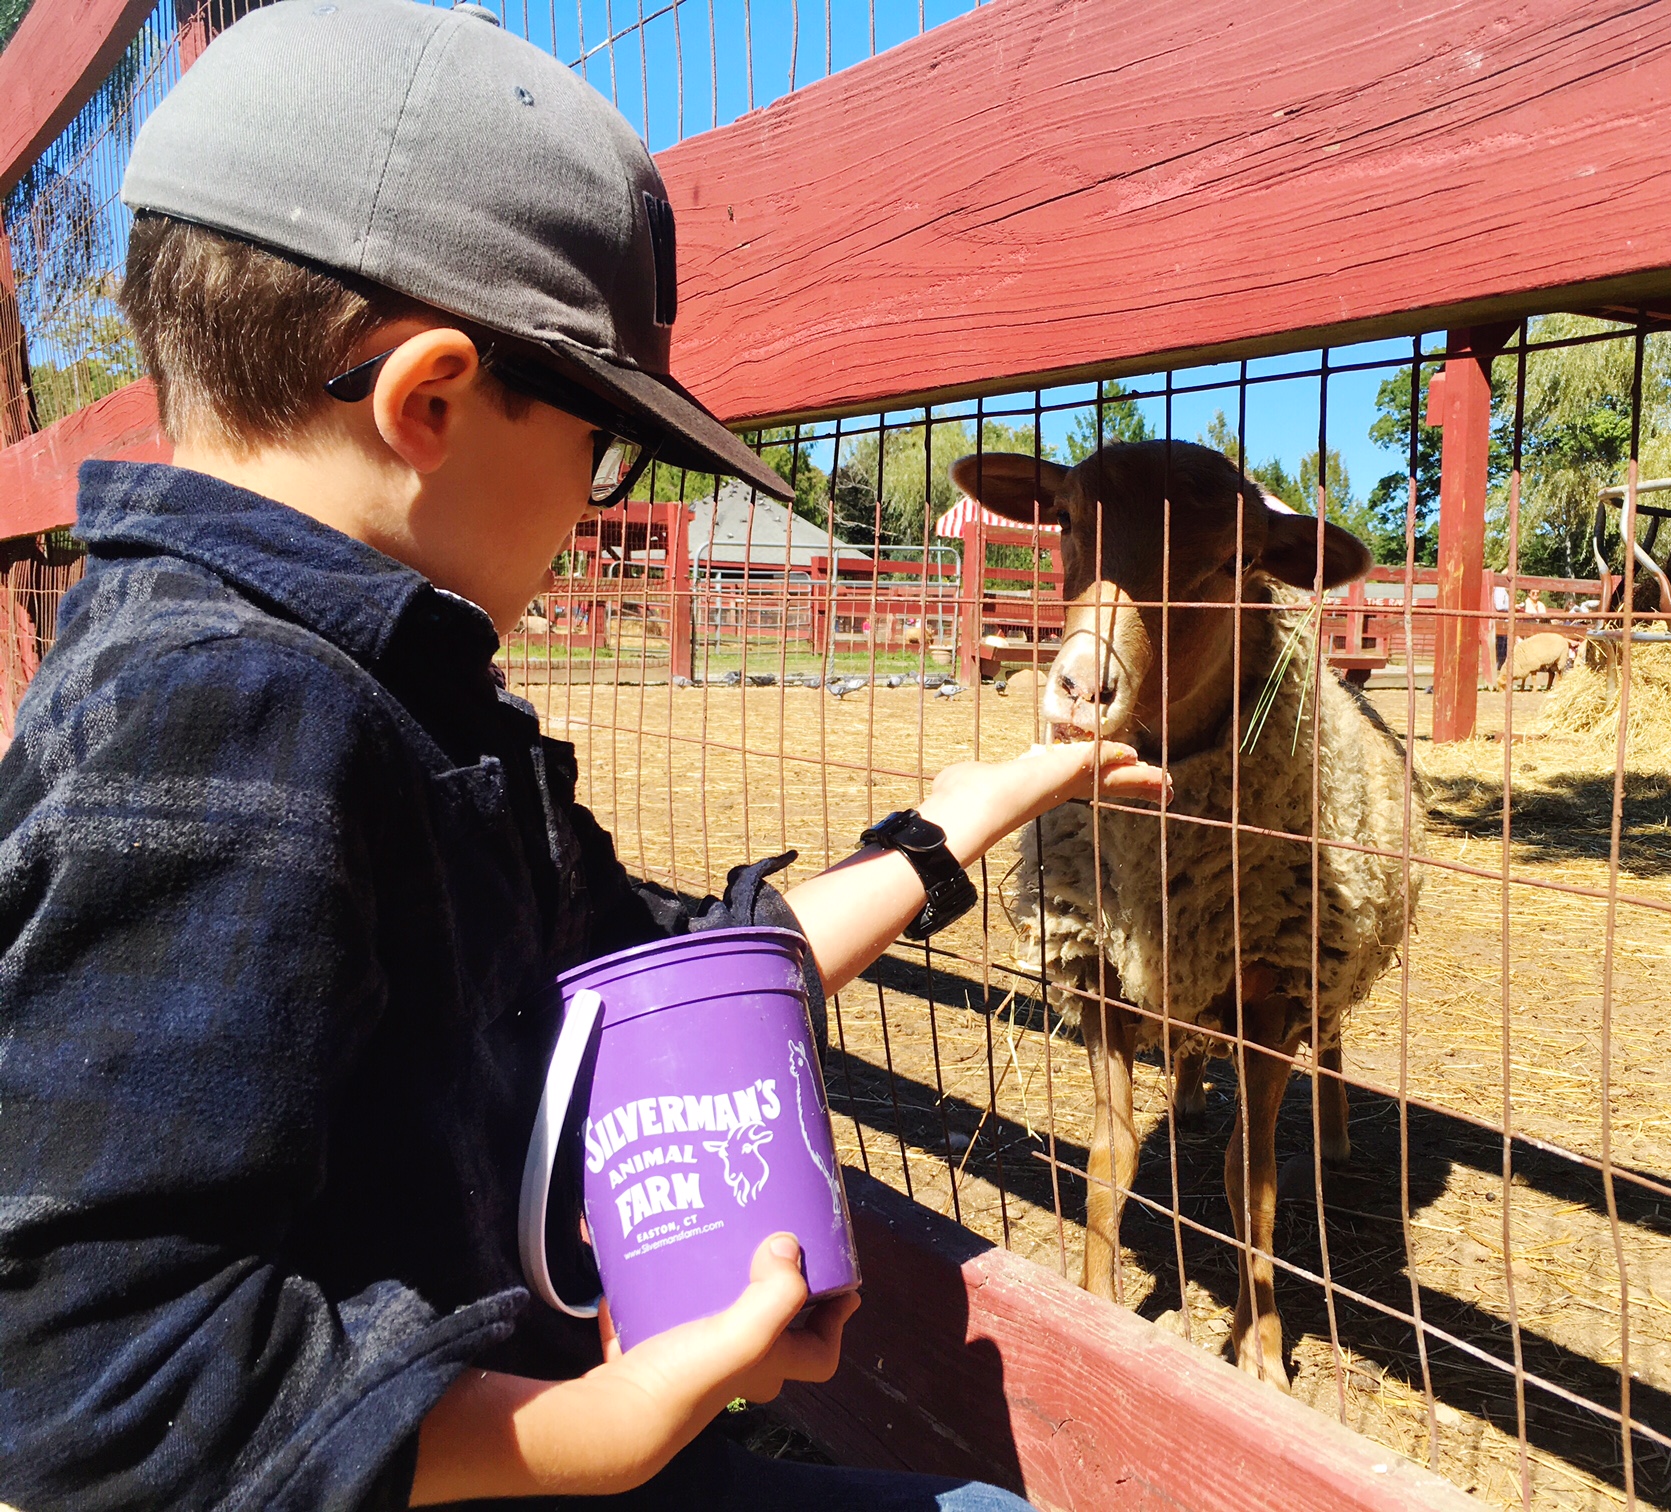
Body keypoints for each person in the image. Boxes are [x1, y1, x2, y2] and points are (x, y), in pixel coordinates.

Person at [0, 4, 1167, 1509]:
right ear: (428, 400)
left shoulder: (384, 699)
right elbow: (95, 1393)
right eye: (603, 447)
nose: (595, 499)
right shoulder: (233, 719)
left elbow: (657, 992)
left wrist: (962, 819)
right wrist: (603, 1429)